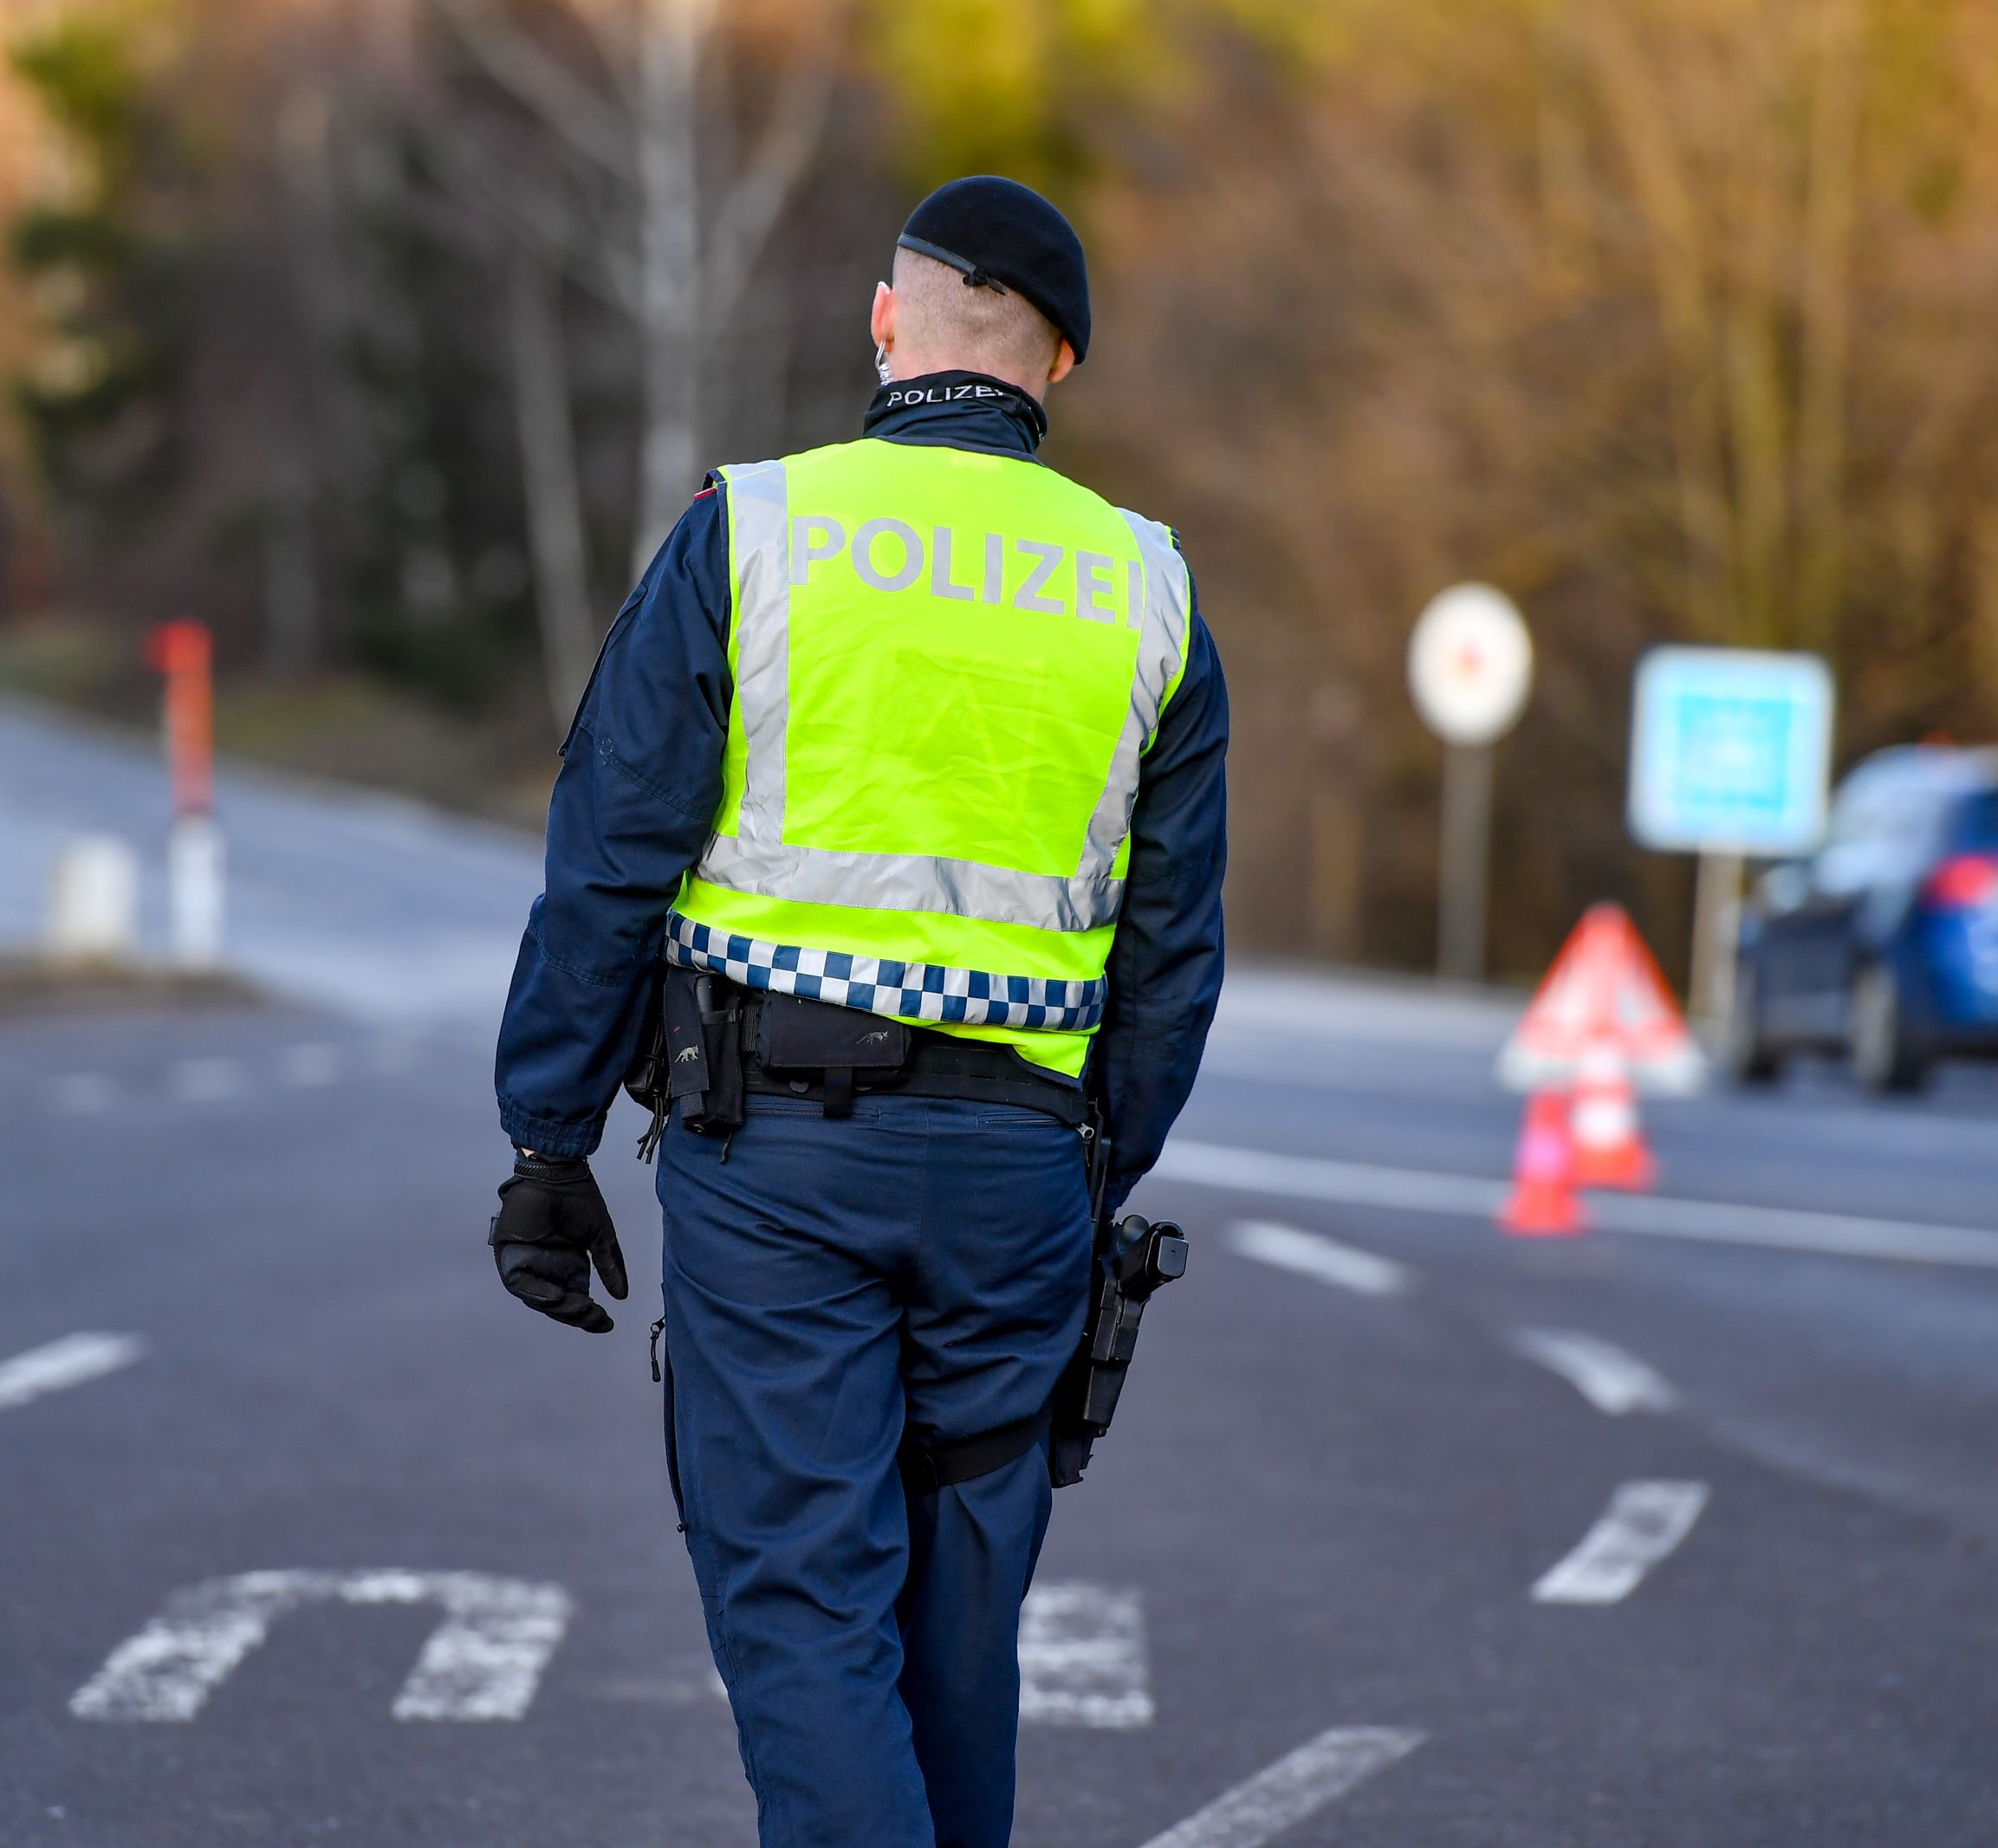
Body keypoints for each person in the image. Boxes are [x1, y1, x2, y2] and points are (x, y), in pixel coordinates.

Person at [485, 174, 1228, 1848]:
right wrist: (1088, 1178)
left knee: (808, 1615)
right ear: (1057, 366)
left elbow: (609, 852)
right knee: (957, 1646)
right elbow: (1175, 960)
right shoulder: (1148, 592)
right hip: (1020, 1180)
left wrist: (549, 1135)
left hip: (778, 1174)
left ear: (889, 323)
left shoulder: (755, 533)